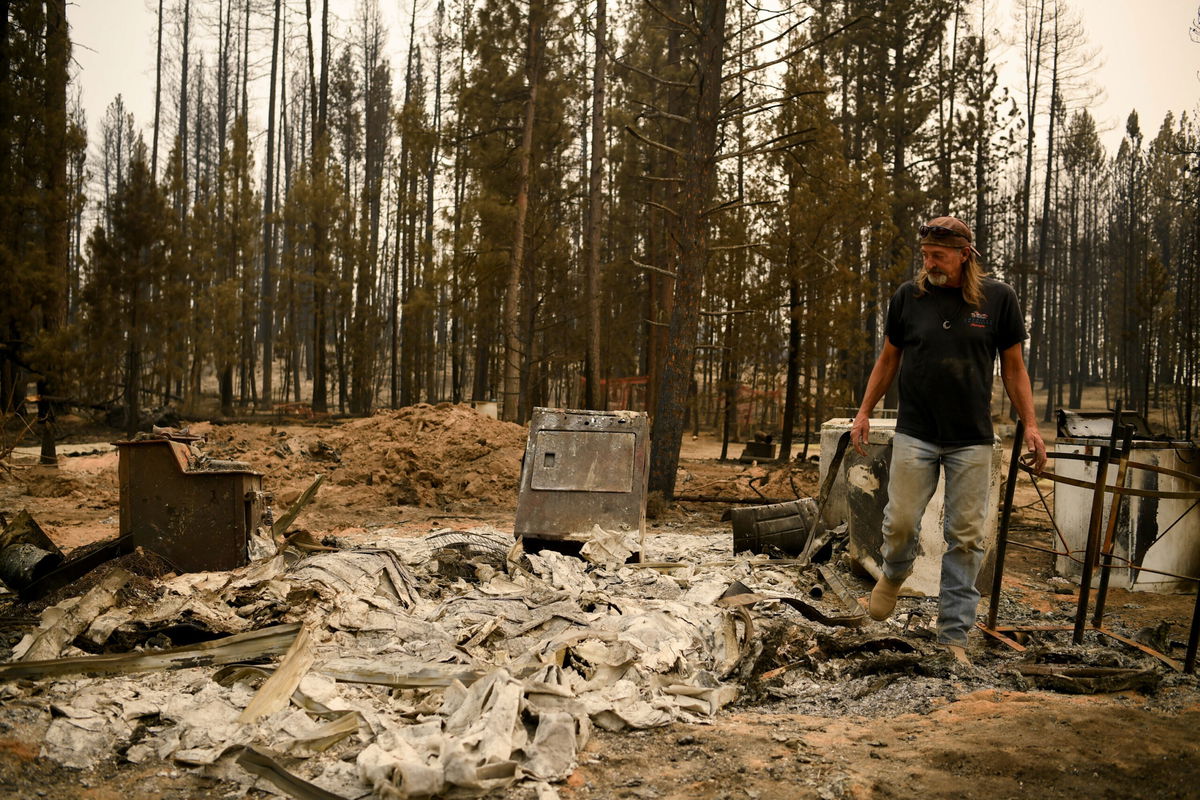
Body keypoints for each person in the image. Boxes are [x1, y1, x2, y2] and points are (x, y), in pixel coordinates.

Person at [849, 215, 1047, 664]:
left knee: (966, 537)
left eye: (938, 255)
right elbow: (887, 362)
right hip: (916, 432)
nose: (930, 263)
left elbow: (1014, 370)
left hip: (972, 439)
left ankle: (953, 635)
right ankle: (895, 573)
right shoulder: (908, 298)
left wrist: (1030, 425)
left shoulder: (998, 300)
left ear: (964, 255)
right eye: (925, 255)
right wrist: (863, 413)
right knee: (900, 523)